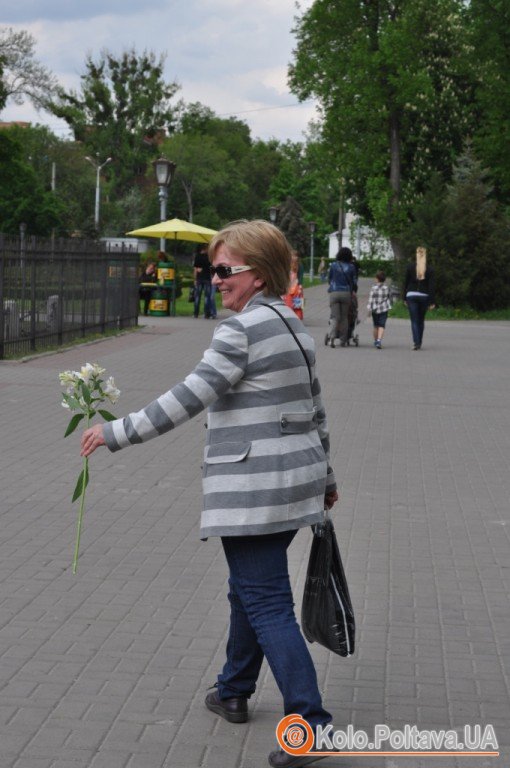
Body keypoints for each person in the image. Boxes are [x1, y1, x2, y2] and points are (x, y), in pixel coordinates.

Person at [80, 219, 339, 768]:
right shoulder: (293, 325)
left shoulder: (240, 331)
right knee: (247, 589)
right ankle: (233, 689)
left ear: (259, 273)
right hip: (296, 484)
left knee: (267, 602)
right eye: (211, 269)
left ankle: (312, 724)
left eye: (224, 270)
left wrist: (114, 431)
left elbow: (188, 398)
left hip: (254, 490)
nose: (214, 279)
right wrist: (328, 480)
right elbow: (315, 407)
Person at [404, 246, 435, 350]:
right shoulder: (430, 269)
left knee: (414, 320)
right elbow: (431, 286)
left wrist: (404, 297)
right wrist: (432, 301)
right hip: (424, 296)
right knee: (421, 320)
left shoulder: (410, 267)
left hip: (411, 295)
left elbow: (406, 283)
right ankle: (419, 341)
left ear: (416, 255)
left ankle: (416, 342)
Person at [325, 246, 357, 348]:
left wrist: (333, 285)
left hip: (334, 293)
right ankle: (343, 340)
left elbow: (329, 279)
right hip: (346, 293)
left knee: (335, 317)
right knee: (344, 318)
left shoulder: (333, 265)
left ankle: (332, 339)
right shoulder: (352, 267)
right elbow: (354, 282)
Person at [367, 270, 392, 349]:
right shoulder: (387, 288)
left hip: (375, 309)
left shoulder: (373, 288)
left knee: (375, 326)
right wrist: (390, 306)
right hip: (384, 308)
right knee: (382, 325)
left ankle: (375, 341)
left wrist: (369, 309)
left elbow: (371, 299)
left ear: (377, 279)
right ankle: (379, 340)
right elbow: (390, 298)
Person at [282, 250, 304, 319]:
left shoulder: (299, 266)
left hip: (296, 287)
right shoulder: (287, 265)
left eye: (295, 256)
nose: (294, 257)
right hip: (288, 287)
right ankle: (289, 316)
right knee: (288, 303)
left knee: (297, 304)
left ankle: (297, 317)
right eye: (292, 255)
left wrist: (300, 286)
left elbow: (300, 277)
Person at [193, 245, 213, 318]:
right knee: (207, 297)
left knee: (197, 296)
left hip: (199, 279)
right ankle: (206, 314)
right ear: (204, 249)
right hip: (207, 279)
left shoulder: (197, 256)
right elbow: (211, 268)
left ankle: (196, 313)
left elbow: (195, 269)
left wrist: (195, 279)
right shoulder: (209, 257)